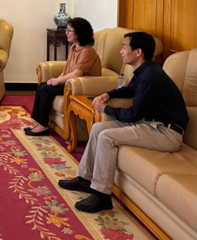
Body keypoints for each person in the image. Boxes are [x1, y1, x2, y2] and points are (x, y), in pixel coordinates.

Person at [59, 31, 189, 213]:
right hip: (152, 125)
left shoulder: (151, 76)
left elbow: (133, 115)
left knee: (107, 137)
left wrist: (106, 109)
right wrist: (108, 94)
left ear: (138, 52)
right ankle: (85, 179)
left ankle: (102, 195)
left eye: (124, 47)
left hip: (166, 134)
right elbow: (129, 90)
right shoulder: (145, 70)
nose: (121, 51)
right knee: (98, 128)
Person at [26, 17, 101, 136]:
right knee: (42, 85)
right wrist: (56, 79)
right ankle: (39, 122)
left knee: (45, 89)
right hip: (71, 83)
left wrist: (58, 81)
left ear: (79, 33)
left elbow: (76, 74)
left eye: (69, 30)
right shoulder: (74, 47)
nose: (66, 33)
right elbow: (67, 69)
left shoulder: (88, 51)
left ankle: (43, 126)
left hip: (81, 86)